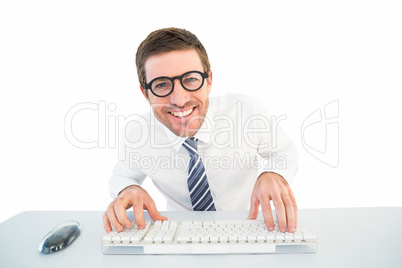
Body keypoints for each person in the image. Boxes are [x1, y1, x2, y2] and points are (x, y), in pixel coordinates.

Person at [103, 27, 299, 234]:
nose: (179, 100)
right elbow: (122, 176)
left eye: (190, 80)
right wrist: (128, 189)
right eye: (161, 84)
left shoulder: (247, 111)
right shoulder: (138, 133)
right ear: (145, 94)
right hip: (179, 234)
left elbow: (285, 152)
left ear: (209, 81)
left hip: (248, 228)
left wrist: (274, 174)